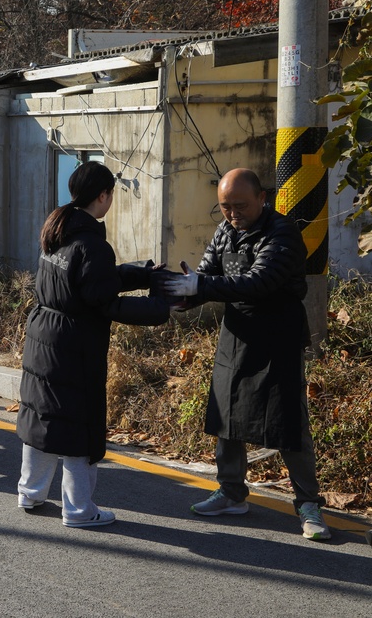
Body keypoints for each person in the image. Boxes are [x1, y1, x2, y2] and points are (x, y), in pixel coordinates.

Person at [161, 167, 331, 540]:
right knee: (227, 414)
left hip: (278, 339)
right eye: (225, 207)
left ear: (262, 199)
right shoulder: (226, 231)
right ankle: (232, 492)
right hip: (236, 336)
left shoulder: (283, 232)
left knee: (289, 423)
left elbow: (259, 281)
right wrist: (182, 295)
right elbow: (207, 272)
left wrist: (202, 284)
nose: (233, 214)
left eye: (240, 205)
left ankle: (308, 505)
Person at [17, 162, 170, 527]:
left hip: (42, 337)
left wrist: (144, 273)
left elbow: (94, 283)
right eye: (111, 194)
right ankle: (79, 510)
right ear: (103, 196)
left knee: (44, 417)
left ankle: (30, 493)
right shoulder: (91, 244)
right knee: (79, 424)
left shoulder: (58, 229)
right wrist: (159, 301)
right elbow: (106, 301)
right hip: (75, 346)